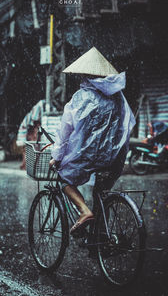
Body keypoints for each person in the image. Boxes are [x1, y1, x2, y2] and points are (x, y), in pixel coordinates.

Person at [49, 47, 135, 236]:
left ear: (84, 75)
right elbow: (126, 126)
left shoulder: (81, 97)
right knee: (101, 194)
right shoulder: (117, 99)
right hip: (112, 157)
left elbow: (65, 132)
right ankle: (101, 239)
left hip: (87, 156)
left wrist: (56, 157)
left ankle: (84, 211)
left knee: (64, 178)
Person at [16, 100, 45, 169]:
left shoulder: (36, 110)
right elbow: (34, 120)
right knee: (29, 149)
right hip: (27, 130)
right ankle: (26, 165)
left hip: (29, 130)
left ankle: (26, 165)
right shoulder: (37, 110)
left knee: (29, 149)